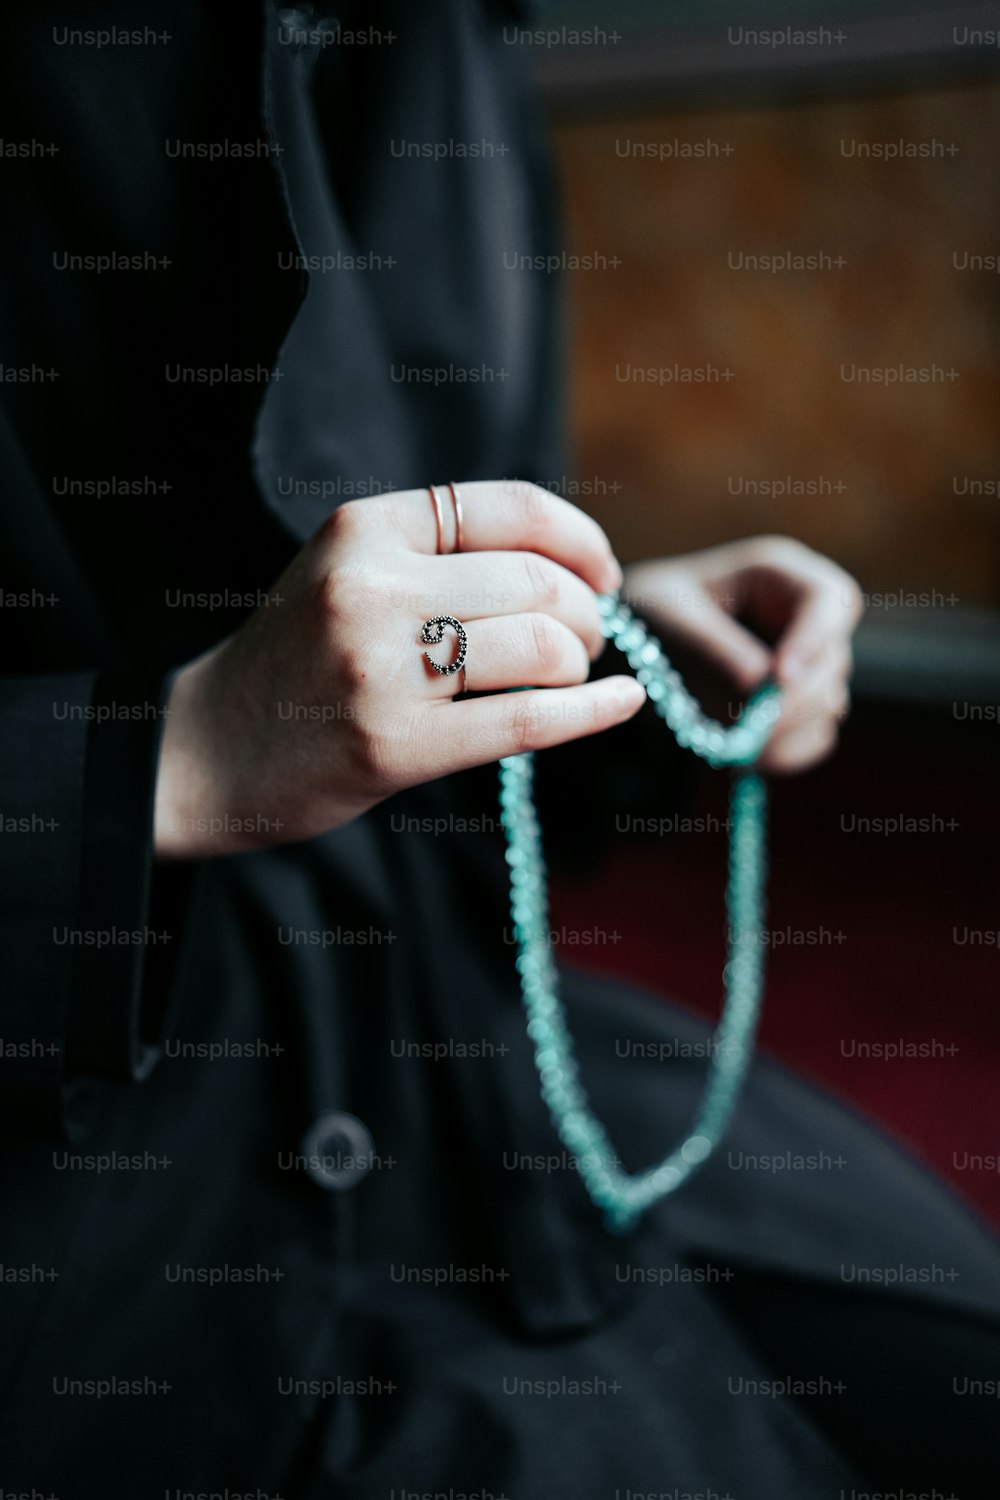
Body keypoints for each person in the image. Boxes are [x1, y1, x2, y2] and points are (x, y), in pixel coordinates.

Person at [2, 3, 999, 1495]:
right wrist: (166, 766)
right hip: (115, 1187)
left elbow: (395, 653)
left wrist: (620, 655)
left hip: (466, 1040)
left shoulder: (455, 42)